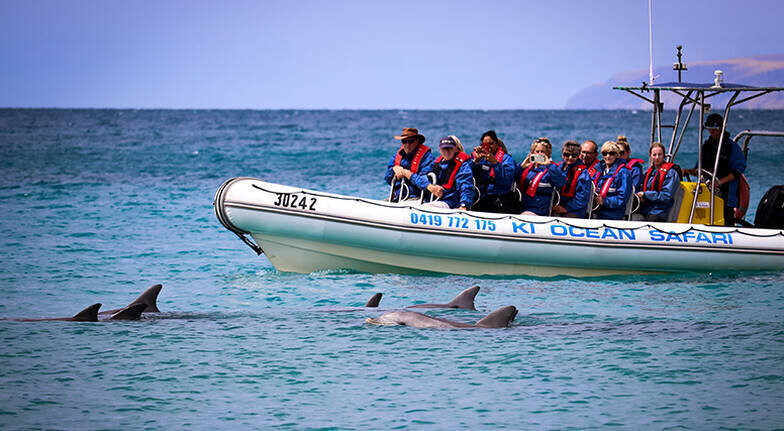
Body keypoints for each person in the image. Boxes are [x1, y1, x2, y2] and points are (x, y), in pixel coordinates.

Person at [682, 113, 747, 226]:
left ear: (721, 128)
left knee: (725, 219)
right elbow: (698, 170)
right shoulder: (706, 146)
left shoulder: (731, 147)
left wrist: (719, 182)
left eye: (714, 129)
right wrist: (686, 171)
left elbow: (737, 171)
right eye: (709, 129)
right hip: (706, 191)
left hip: (725, 194)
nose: (711, 132)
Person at [469, 130, 517, 213]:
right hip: (482, 197)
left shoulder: (507, 159)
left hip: (500, 198)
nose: (489, 147)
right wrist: (475, 162)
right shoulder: (481, 158)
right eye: (485, 145)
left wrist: (495, 163)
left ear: (497, 144)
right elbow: (469, 176)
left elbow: (506, 181)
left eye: (491, 143)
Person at [517, 137, 566, 216]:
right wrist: (521, 167)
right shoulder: (527, 168)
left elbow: (561, 182)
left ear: (548, 154)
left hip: (540, 208)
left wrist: (548, 165)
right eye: (537, 151)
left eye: (542, 152)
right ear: (532, 153)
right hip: (524, 205)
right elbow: (512, 180)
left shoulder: (552, 169)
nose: (539, 154)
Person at [425, 136, 476, 210]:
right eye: (444, 149)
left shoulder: (463, 165)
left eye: (450, 148)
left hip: (451, 201)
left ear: (455, 149)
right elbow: (421, 176)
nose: (447, 151)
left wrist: (464, 205)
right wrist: (429, 186)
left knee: (426, 208)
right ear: (440, 150)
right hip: (435, 199)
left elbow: (466, 185)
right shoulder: (436, 164)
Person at [384, 127, 435, 201]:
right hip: (399, 196)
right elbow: (387, 178)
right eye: (404, 141)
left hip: (418, 198)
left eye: (410, 141)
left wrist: (407, 174)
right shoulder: (398, 155)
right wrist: (394, 169)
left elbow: (425, 182)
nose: (407, 145)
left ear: (417, 141)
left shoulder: (427, 157)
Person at [636, 142, 681, 222]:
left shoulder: (670, 173)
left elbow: (666, 195)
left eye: (659, 154)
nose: (657, 157)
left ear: (664, 155)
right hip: (646, 209)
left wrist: (646, 195)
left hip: (659, 212)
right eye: (654, 155)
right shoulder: (648, 173)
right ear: (650, 156)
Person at [552, 140, 591, 218]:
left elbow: (582, 197)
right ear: (562, 155)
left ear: (579, 155)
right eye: (567, 154)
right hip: (558, 205)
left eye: (574, 155)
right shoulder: (558, 168)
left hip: (575, 210)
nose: (570, 158)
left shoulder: (583, 174)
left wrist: (566, 208)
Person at [592, 140, 631, 220]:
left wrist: (605, 201)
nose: (608, 156)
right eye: (605, 153)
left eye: (611, 153)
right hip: (596, 210)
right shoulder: (599, 171)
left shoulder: (623, 173)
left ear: (617, 155)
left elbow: (622, 198)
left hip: (613, 214)